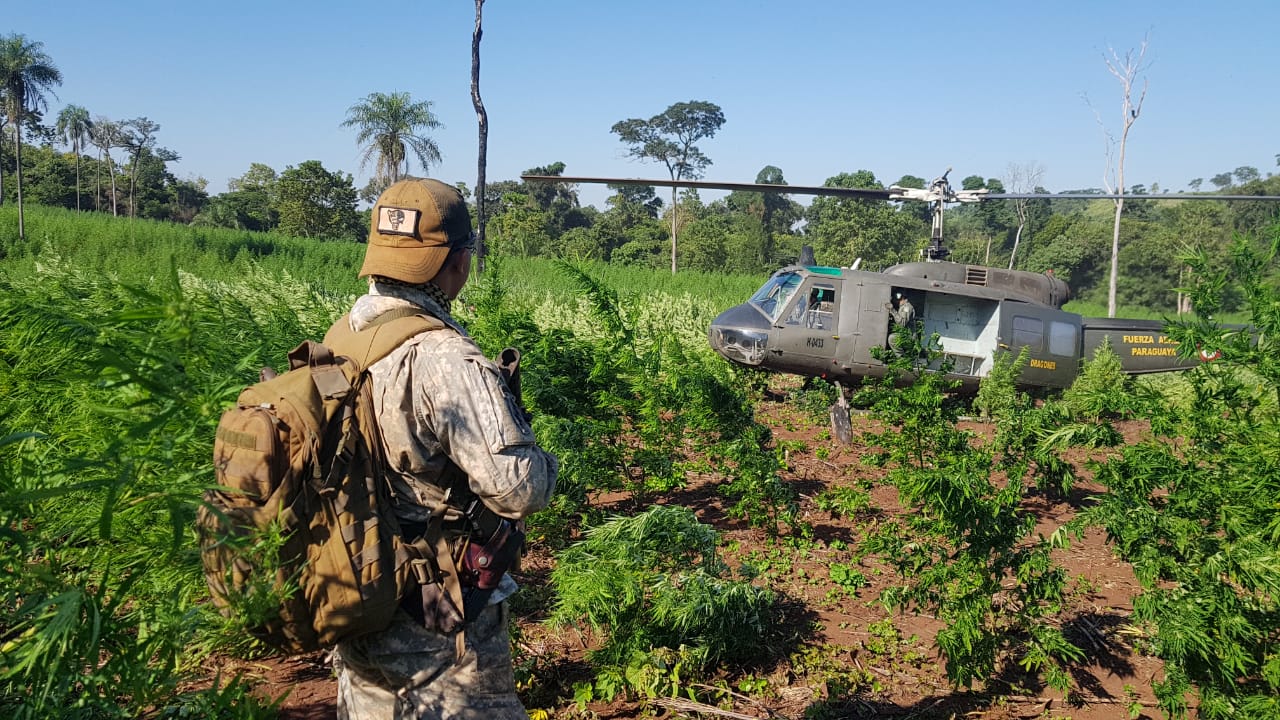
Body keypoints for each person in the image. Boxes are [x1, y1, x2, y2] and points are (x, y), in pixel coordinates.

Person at [331, 177, 559, 720]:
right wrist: (546, 463)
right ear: (456, 262)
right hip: (434, 613)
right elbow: (518, 489)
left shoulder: (341, 338)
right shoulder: (444, 358)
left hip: (356, 588)